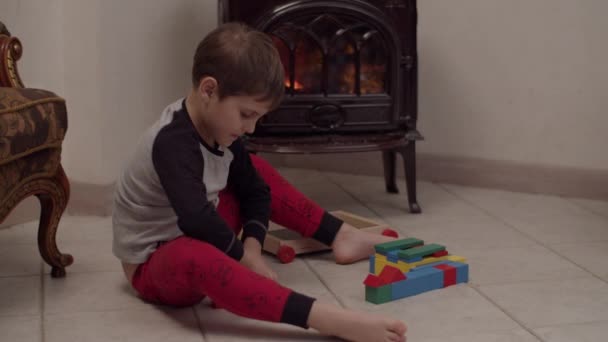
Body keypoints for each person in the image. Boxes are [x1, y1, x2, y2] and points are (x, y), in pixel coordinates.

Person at [112, 22, 407, 342]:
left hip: (196, 230)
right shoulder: (172, 142)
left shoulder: (220, 129)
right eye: (246, 114)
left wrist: (251, 248)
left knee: (255, 169)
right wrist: (241, 258)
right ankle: (327, 318)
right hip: (155, 263)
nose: (250, 128)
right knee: (193, 255)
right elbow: (196, 219)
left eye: (257, 118)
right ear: (208, 90)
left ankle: (339, 235)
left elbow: (256, 192)